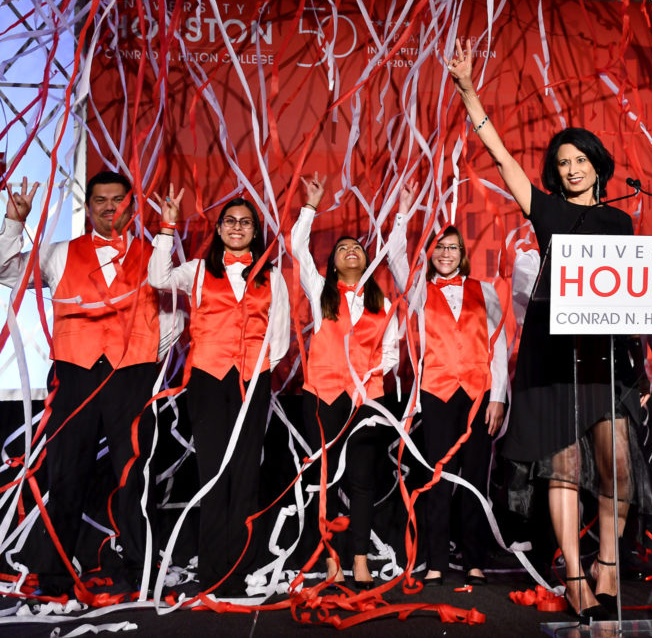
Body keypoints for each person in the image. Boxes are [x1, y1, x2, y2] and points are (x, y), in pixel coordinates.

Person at [447, 40, 652, 619]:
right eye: (562, 162)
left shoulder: (620, 221)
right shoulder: (547, 212)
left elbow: (634, 296)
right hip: (551, 354)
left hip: (607, 355)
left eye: (579, 160)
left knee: (615, 462)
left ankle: (606, 561)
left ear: (597, 166)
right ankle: (573, 574)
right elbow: (500, 156)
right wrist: (468, 92)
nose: (570, 169)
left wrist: (639, 364)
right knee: (561, 469)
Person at [0, 172, 174, 599]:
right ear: (90, 205)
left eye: (117, 199)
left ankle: (142, 569)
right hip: (74, 374)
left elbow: (173, 319)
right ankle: (55, 576)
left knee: (134, 477)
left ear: (132, 205)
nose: (108, 207)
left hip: (130, 375)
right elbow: (5, 269)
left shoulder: (154, 257)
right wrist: (14, 225)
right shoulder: (59, 253)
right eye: (99, 200)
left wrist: (140, 356)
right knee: (65, 476)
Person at [149, 189, 290, 596]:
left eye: (245, 222)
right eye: (230, 221)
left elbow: (278, 336)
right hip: (208, 378)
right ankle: (213, 569)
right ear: (219, 228)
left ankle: (241, 567)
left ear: (255, 231)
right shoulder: (195, 269)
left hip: (252, 378)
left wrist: (257, 369)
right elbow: (158, 278)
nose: (237, 228)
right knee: (213, 471)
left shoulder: (272, 275)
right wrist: (167, 227)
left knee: (246, 472)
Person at [387, 181, 508, 587]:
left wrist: (499, 397)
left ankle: (473, 558)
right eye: (439, 247)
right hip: (436, 394)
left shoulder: (484, 291)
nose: (445, 253)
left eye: (452, 247)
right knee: (436, 479)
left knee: (476, 478)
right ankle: (436, 558)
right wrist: (402, 214)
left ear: (463, 254)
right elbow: (395, 259)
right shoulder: (420, 291)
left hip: (478, 394)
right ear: (431, 253)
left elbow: (500, 345)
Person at [291, 174, 399, 589]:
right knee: (324, 480)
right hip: (322, 397)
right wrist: (311, 207)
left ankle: (359, 557)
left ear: (367, 260)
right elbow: (297, 248)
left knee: (361, 481)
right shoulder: (320, 291)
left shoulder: (383, 302)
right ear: (333, 262)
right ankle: (329, 557)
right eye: (343, 249)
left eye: (357, 248)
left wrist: (370, 377)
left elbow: (391, 353)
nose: (351, 251)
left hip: (366, 401)